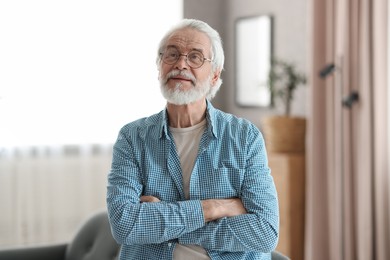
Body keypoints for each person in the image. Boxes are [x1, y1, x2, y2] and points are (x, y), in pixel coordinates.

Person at [106, 18, 279, 260]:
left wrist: (163, 224)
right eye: (172, 54)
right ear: (159, 66)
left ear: (215, 74)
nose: (181, 64)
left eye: (195, 57)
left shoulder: (245, 137)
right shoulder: (132, 137)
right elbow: (125, 225)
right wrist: (215, 208)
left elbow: (265, 233)